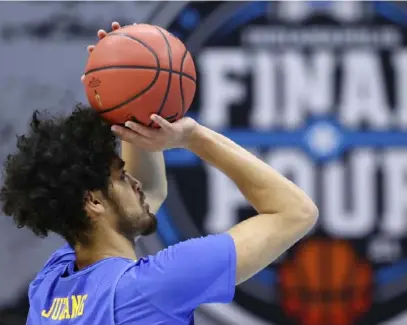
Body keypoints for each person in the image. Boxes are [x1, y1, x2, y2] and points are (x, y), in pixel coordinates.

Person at [0, 22, 318, 325]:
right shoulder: (155, 286)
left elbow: (147, 193)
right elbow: (296, 212)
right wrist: (194, 137)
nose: (135, 183)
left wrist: (124, 98)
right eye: (122, 177)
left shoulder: (50, 285)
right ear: (93, 202)